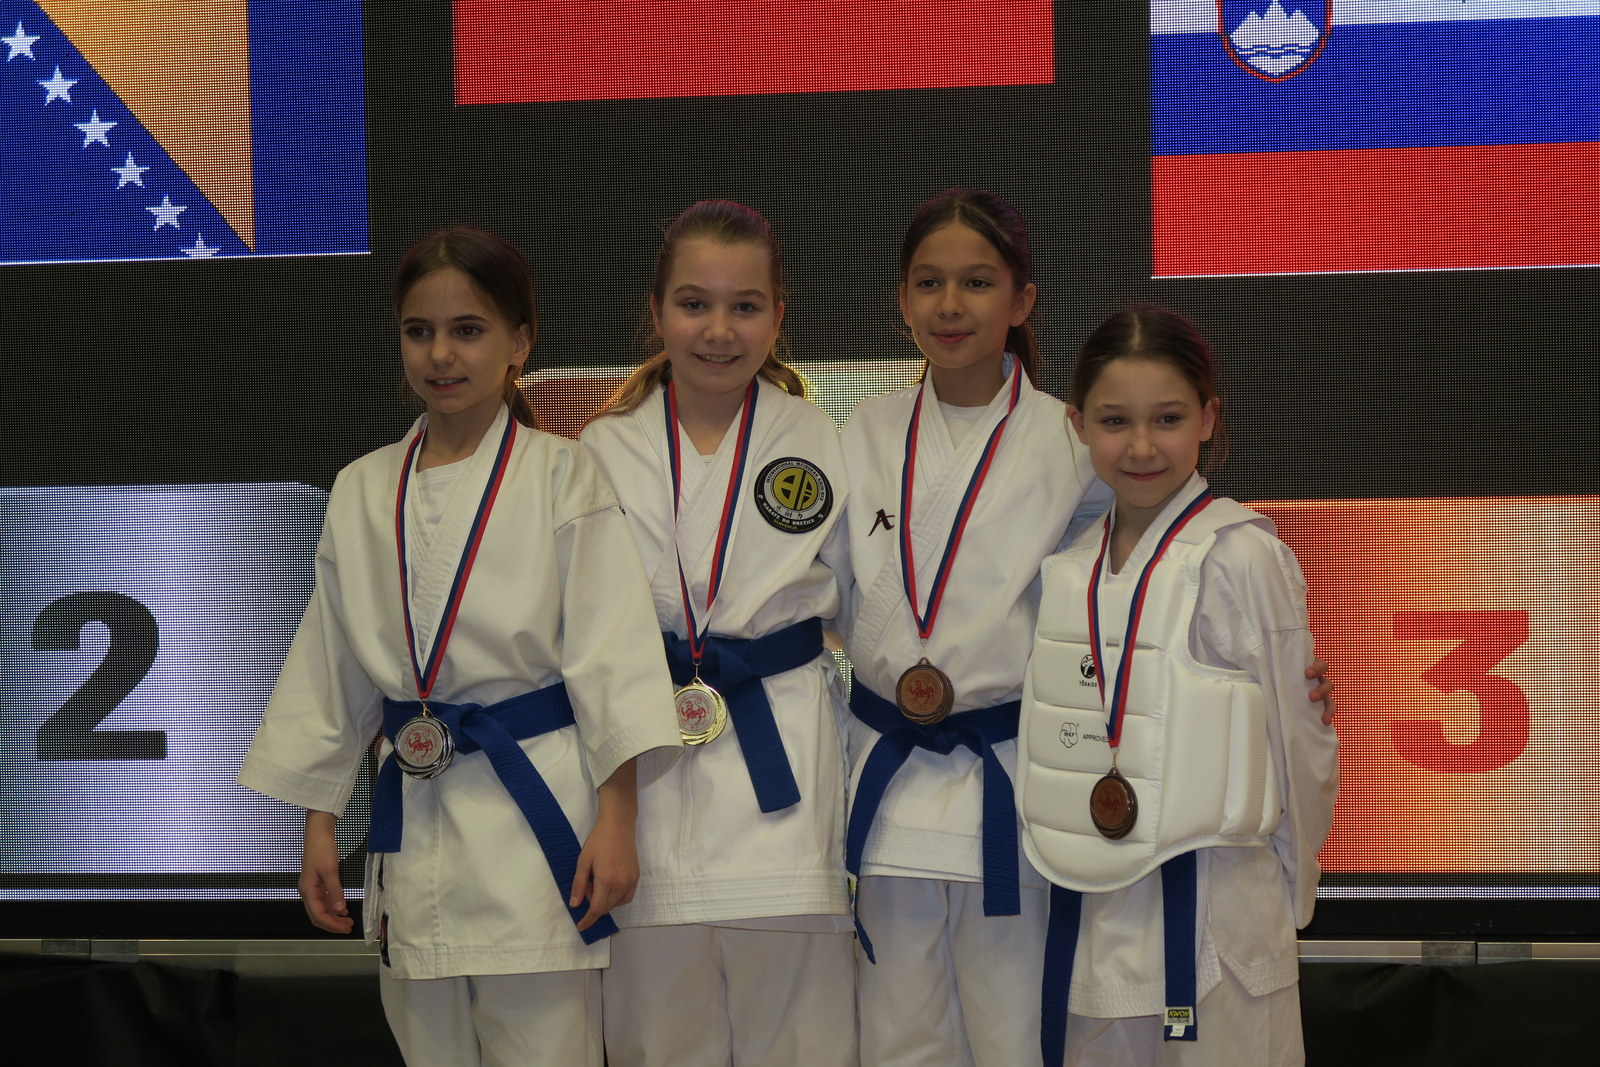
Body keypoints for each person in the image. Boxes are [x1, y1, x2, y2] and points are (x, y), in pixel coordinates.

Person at [837, 189, 1332, 1066]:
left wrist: (1296, 866)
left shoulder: (1096, 469)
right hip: (907, 783)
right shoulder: (862, 432)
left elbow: (1171, 605)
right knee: (899, 1037)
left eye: (978, 281)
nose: (952, 304)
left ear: (1022, 299)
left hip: (1029, 796)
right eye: (930, 281)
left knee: (1017, 1038)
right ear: (900, 297)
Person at [238, 226, 681, 1066]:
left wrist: (618, 819)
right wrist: (319, 822)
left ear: (520, 342)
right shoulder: (362, 486)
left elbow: (612, 656)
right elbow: (332, 664)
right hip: (414, 820)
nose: (441, 353)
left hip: (536, 819)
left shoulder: (564, 473)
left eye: (468, 330)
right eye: (419, 330)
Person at [1017, 304, 1340, 1066]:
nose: (1141, 445)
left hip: (1220, 917)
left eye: (1167, 418)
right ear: (1077, 424)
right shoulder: (1069, 564)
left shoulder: (1242, 555)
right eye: (1114, 420)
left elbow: (1301, 741)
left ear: (1207, 417)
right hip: (1095, 910)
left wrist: (1289, 883)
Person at [579, 199, 856, 1067]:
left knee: (804, 1043)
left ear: (779, 315)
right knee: (658, 1042)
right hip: (645, 784)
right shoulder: (602, 449)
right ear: (656, 310)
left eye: (745, 306)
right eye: (694, 303)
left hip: (787, 780)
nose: (719, 330)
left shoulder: (820, 438)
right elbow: (584, 642)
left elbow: (882, 605)